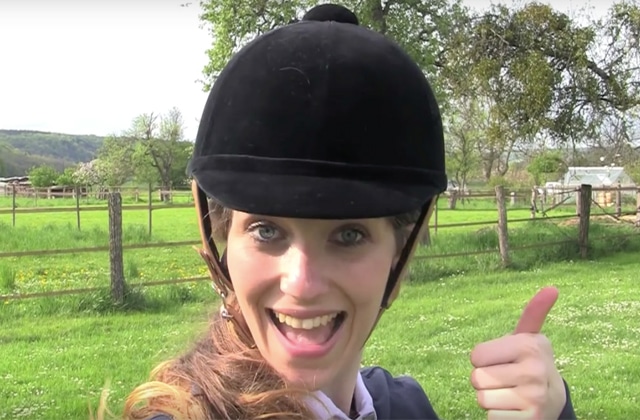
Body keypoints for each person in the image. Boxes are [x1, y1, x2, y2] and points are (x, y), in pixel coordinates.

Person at [122, 4, 577, 419]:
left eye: (349, 235)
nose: (302, 284)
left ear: (400, 251)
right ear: (220, 242)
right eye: (266, 231)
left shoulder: (407, 408)